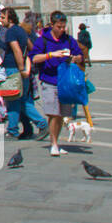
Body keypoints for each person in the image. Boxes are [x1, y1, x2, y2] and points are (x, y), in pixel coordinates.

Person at [29, 10, 82, 157]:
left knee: (61, 115)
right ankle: (53, 144)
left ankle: (56, 142)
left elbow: (80, 56)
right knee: (53, 114)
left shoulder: (69, 40)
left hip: (65, 81)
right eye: (59, 26)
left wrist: (74, 58)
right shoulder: (42, 40)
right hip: (49, 80)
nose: (62, 29)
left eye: (64, 26)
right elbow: (33, 58)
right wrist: (51, 55)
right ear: (52, 25)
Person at [0, 7, 45, 140]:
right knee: (19, 99)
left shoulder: (11, 32)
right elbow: (31, 47)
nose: (1, 20)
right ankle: (19, 129)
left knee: (15, 99)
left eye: (3, 17)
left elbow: (17, 50)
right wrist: (28, 65)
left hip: (14, 69)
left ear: (10, 18)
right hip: (22, 69)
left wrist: (21, 68)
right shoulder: (21, 30)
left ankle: (40, 124)